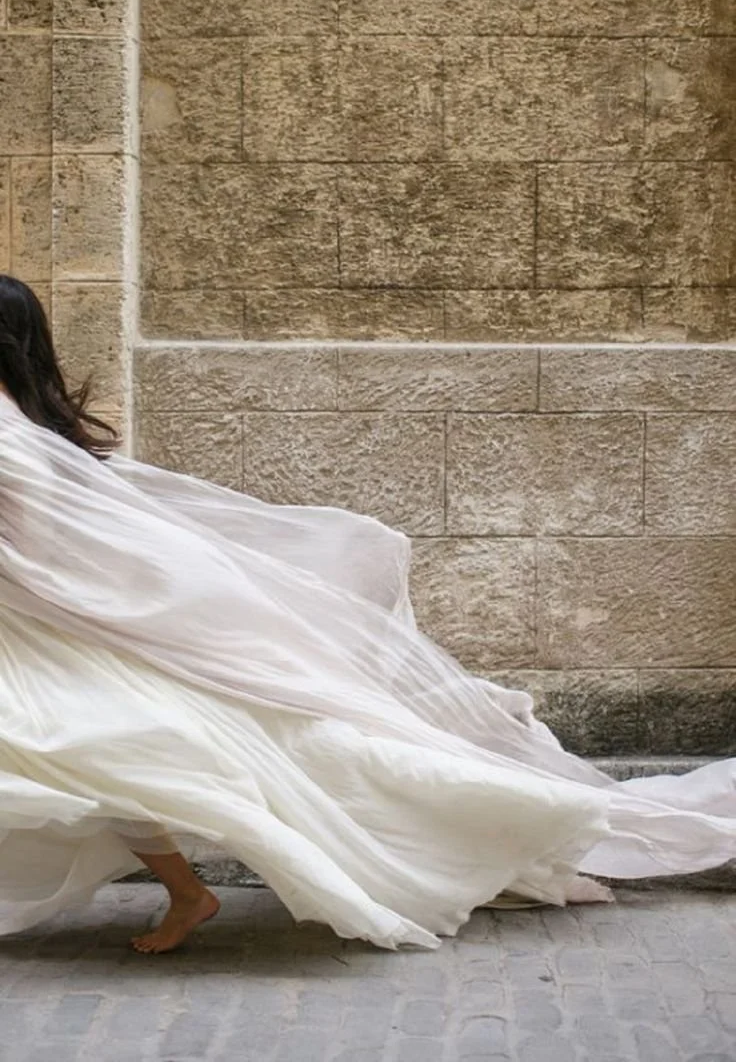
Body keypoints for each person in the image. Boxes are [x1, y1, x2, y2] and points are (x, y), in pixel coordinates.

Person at [0, 275, 733, 955]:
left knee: (115, 750)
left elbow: (45, 543)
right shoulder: (29, 425)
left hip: (58, 629)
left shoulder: (9, 433)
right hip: (50, 627)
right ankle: (189, 893)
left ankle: (216, 888)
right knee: (110, 753)